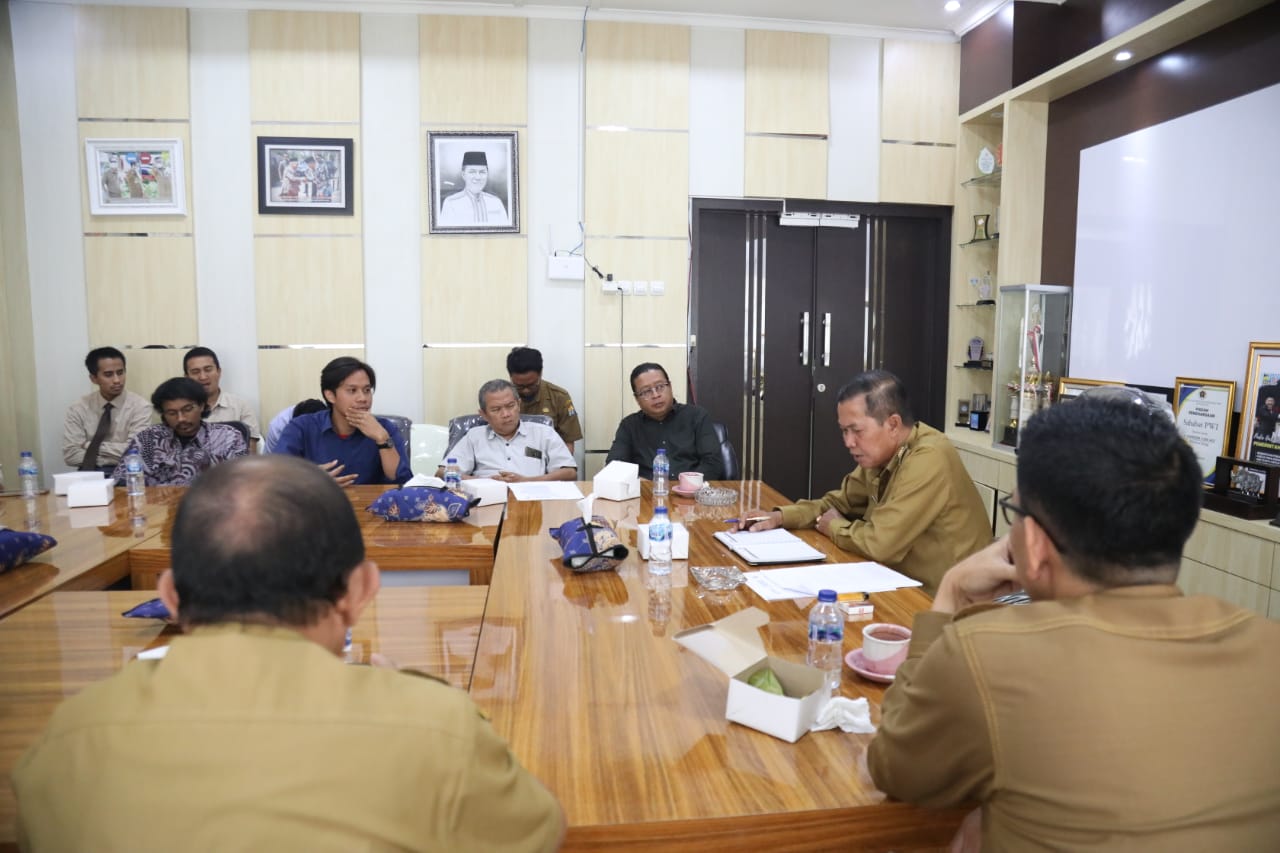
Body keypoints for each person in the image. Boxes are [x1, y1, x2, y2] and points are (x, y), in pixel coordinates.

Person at [12, 455, 565, 851]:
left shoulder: (68, 741)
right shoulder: (435, 729)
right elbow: (540, 833)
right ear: (361, 591)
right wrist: (412, 696)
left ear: (171, 596)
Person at [866, 397, 1280, 850]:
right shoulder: (1268, 648)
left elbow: (894, 768)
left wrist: (948, 596)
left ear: (1034, 544)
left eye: (1014, 514)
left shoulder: (986, 655)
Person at [736, 370, 990, 594]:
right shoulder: (882, 454)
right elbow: (837, 504)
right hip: (898, 583)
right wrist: (780, 517)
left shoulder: (929, 457)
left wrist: (834, 526)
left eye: (856, 431)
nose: (848, 442)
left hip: (951, 603)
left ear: (893, 424)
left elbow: (880, 544)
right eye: (844, 431)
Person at [274, 357, 411, 487]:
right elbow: (275, 475)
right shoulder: (302, 427)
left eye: (367, 390)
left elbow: (403, 482)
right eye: (352, 390)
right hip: (318, 500)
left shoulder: (385, 428)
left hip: (371, 502)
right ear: (330, 396)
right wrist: (311, 479)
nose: (363, 398)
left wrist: (382, 439)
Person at [110, 377, 248, 486]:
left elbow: (242, 485)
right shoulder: (148, 438)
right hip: (156, 509)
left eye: (187, 410)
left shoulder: (228, 437)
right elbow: (120, 482)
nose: (181, 418)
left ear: (201, 406)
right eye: (172, 413)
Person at [605, 362, 724, 480]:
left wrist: (686, 485)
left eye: (660, 387)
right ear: (637, 399)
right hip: (647, 490)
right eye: (646, 391)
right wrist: (639, 482)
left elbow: (713, 462)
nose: (655, 395)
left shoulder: (696, 416)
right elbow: (614, 466)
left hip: (692, 490)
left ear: (670, 386)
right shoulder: (629, 426)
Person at [443, 380, 576, 483]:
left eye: (510, 406)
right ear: (483, 414)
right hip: (487, 499)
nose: (506, 414)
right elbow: (442, 472)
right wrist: (484, 483)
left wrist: (526, 481)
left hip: (533, 499)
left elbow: (569, 473)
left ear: (518, 405)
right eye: (496, 409)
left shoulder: (544, 433)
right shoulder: (474, 436)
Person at [62, 346, 153, 474]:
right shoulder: (78, 408)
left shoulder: (140, 407)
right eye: (108, 375)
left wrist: (89, 446)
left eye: (120, 373)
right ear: (94, 378)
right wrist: (106, 459)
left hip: (128, 474)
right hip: (88, 474)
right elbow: (70, 455)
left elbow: (137, 452)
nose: (117, 380)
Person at [183, 346, 261, 450]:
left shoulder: (240, 406)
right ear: (187, 377)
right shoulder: (179, 411)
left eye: (208, 370)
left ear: (219, 372)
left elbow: (250, 453)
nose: (203, 377)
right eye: (195, 372)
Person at [507, 346, 582, 452]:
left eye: (531, 385)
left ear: (541, 373)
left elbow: (568, 442)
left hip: (548, 457)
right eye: (519, 386)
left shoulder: (559, 397)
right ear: (510, 377)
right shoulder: (500, 398)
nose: (526, 390)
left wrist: (561, 461)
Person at [438, 151, 509, 226]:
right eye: (472, 172)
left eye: (482, 172)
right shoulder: (451, 203)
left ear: (487, 174)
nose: (477, 177)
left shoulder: (496, 202)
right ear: (463, 175)